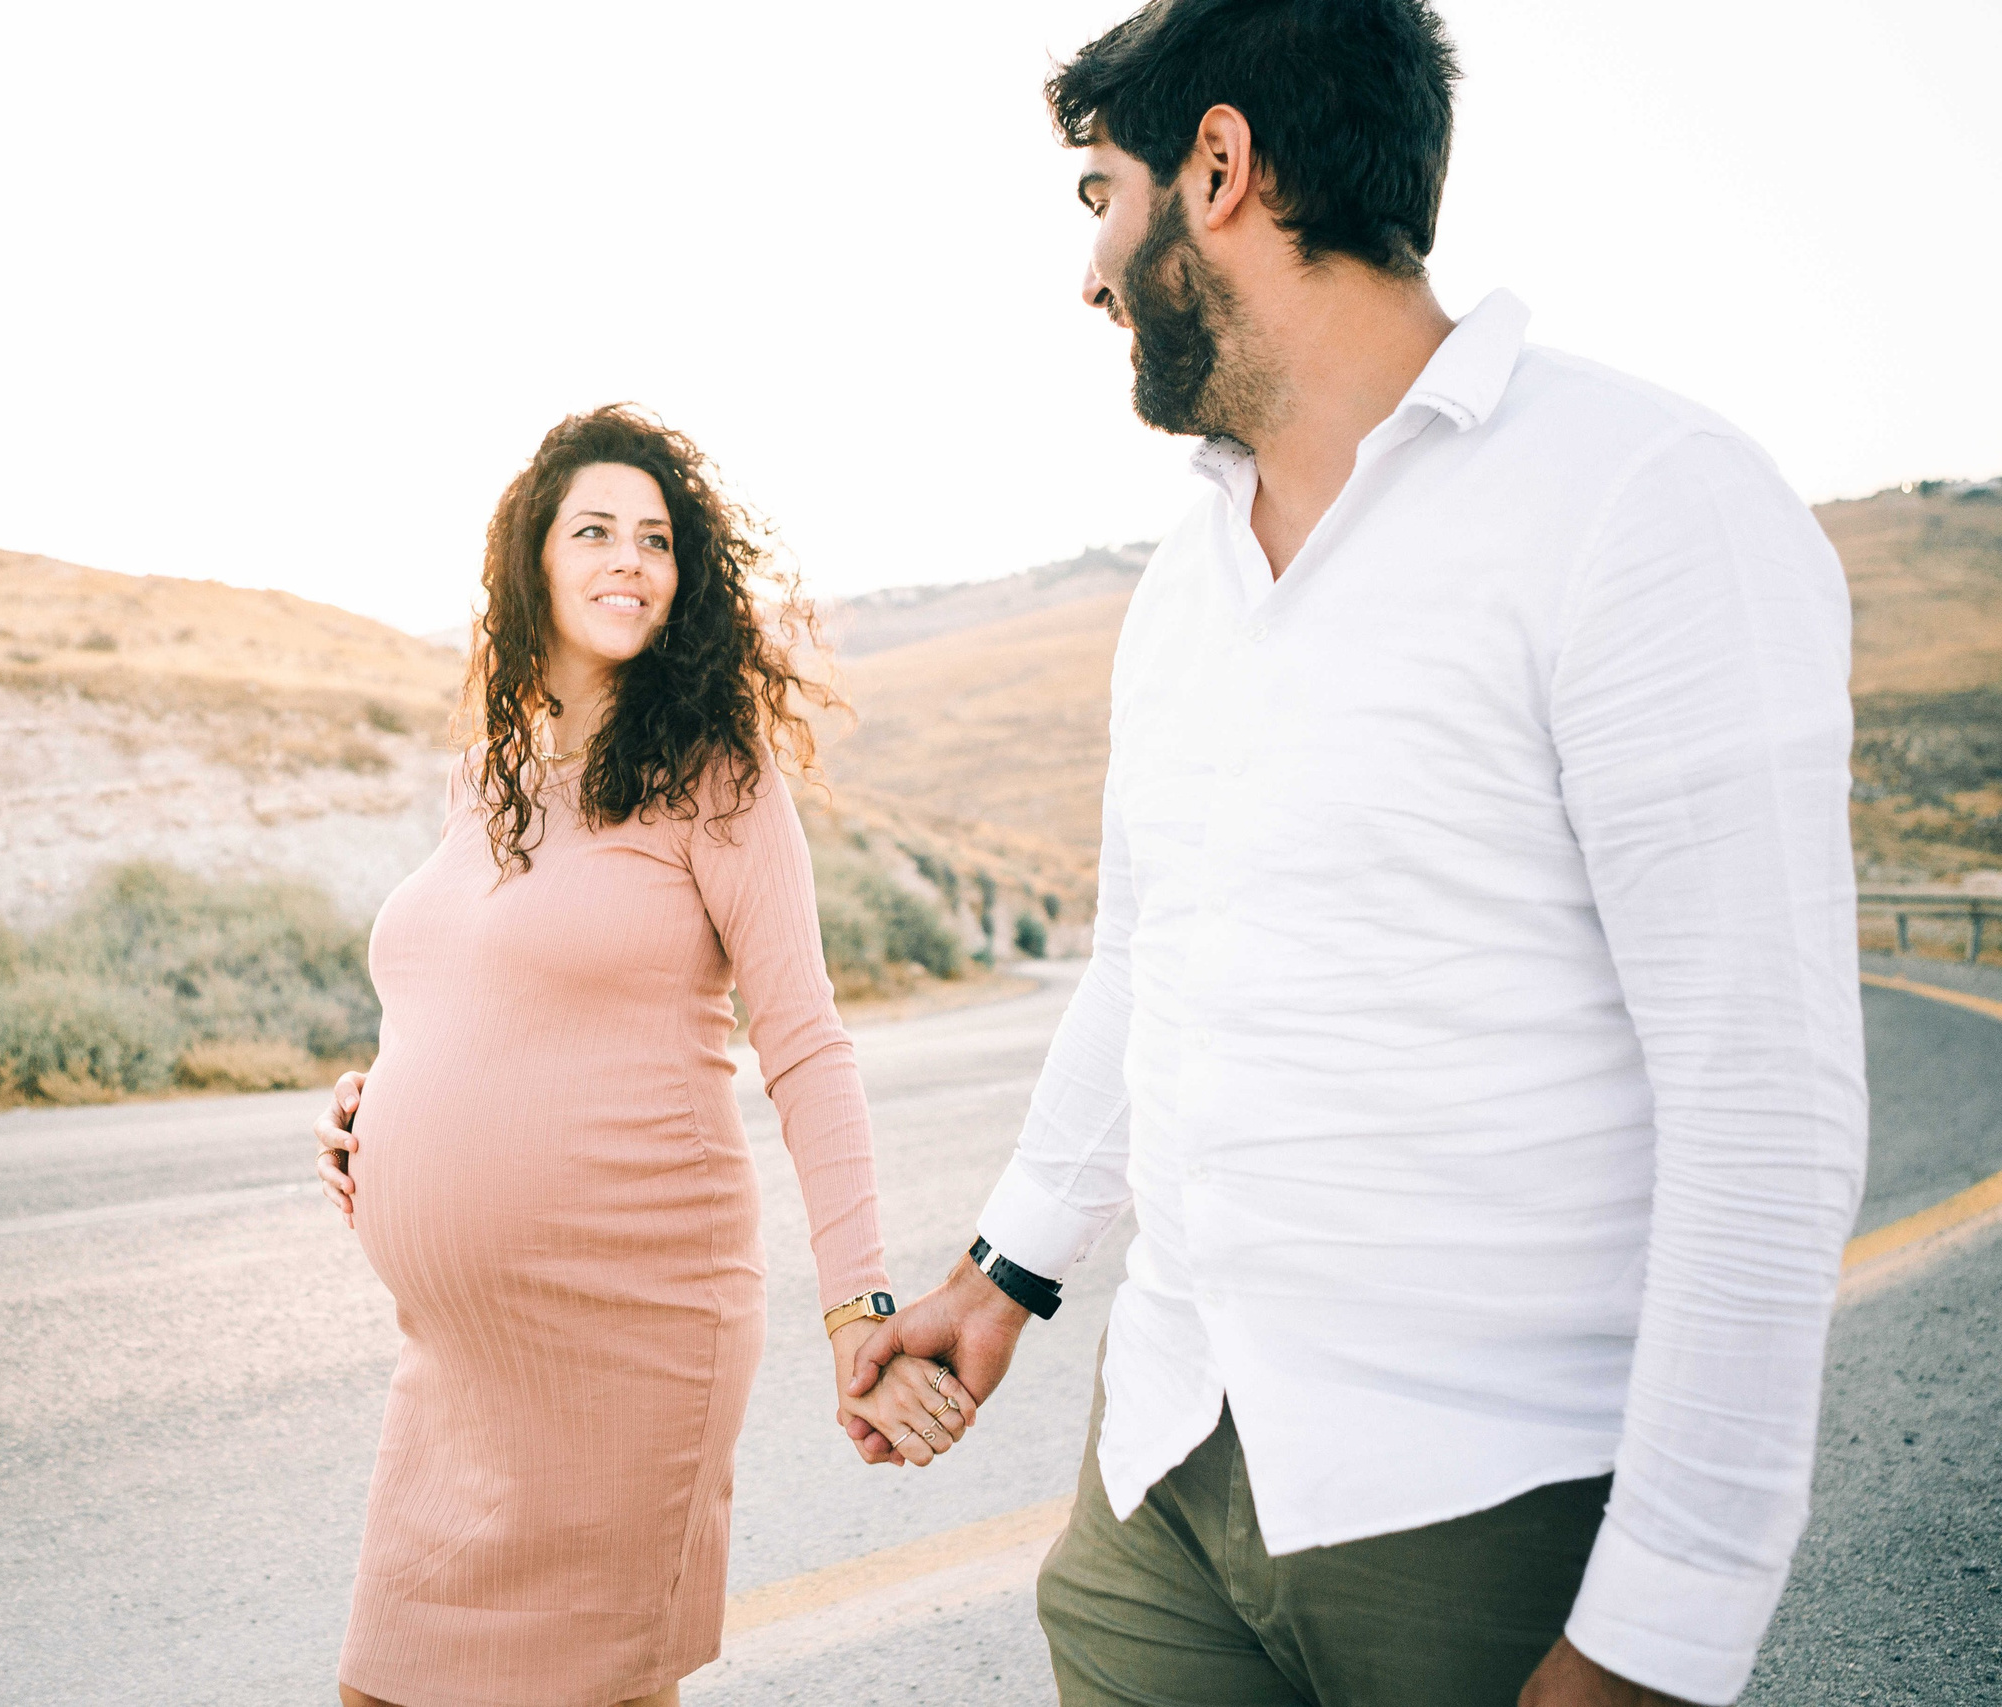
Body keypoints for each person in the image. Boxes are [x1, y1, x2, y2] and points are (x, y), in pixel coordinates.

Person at [845, 4, 1867, 1706]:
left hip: (1484, 1509)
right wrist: (1003, 1272)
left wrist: (1658, 1633)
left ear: (1221, 171)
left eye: (1104, 196)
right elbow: (1145, 961)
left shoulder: (1647, 503)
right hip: (1166, 1474)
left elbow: (1762, 1108)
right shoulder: (1183, 583)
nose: (1091, 272)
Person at [309, 404, 976, 1707]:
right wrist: (379, 1112)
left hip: (630, 1329)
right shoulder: (483, 776)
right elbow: (476, 991)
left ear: (688, 578)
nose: (629, 558)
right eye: (596, 529)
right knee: (383, 1688)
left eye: (658, 538)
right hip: (463, 1363)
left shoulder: (717, 779)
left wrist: (860, 1306)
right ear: (535, 561)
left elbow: (806, 1047)